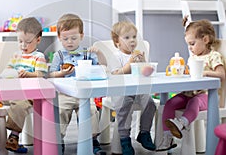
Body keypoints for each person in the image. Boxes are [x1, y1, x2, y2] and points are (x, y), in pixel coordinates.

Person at [156, 16, 226, 151]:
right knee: (170, 103)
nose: (190, 48)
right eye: (188, 44)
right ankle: (168, 138)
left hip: (206, 96)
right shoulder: (193, 58)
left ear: (205, 40)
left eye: (192, 44)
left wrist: (205, 73)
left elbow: (222, 74)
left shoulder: (213, 56)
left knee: (193, 103)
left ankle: (182, 123)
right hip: (189, 93)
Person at [48, 13, 106, 155]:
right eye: (65, 38)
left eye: (74, 38)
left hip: (85, 94)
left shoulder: (88, 54)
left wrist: (99, 54)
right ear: (59, 38)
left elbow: (102, 68)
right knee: (60, 111)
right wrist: (61, 73)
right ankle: (59, 141)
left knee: (91, 112)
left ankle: (92, 141)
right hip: (65, 94)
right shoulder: (59, 56)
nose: (70, 42)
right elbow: (50, 75)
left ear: (81, 36)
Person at [109, 20, 157, 155]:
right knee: (125, 106)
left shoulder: (138, 54)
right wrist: (130, 63)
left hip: (138, 90)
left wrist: (144, 64)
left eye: (134, 37)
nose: (132, 41)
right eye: (127, 37)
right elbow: (115, 74)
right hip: (121, 91)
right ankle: (124, 139)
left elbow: (145, 74)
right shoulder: (116, 56)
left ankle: (144, 133)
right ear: (117, 42)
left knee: (150, 104)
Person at [3, 17, 48, 153]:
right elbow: (8, 70)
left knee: (19, 104)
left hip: (30, 94)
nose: (23, 45)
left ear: (38, 40)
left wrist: (29, 74)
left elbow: (41, 74)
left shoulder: (38, 56)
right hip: (14, 90)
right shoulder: (16, 55)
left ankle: (13, 136)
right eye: (20, 41)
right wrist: (10, 73)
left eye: (28, 42)